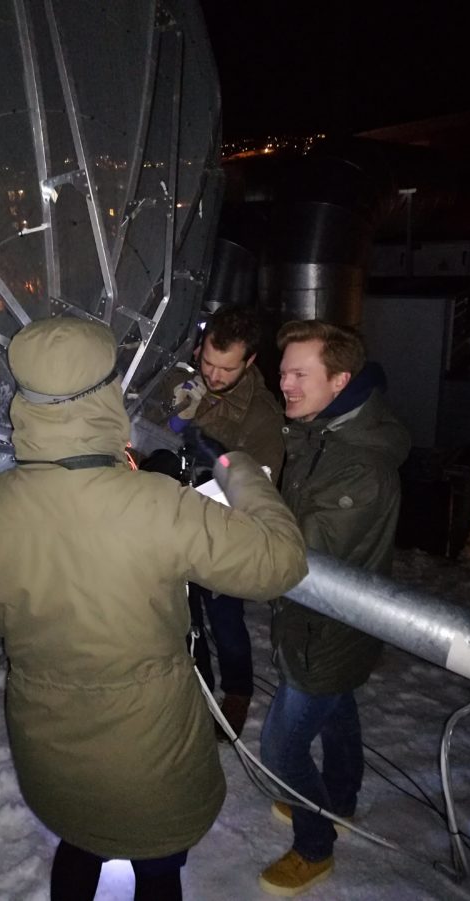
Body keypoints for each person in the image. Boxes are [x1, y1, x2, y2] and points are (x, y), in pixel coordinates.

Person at [0, 316, 307, 901]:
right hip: (149, 753)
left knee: (79, 841)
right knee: (157, 866)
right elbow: (280, 561)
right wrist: (237, 467)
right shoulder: (156, 504)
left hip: (50, 746)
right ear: (104, 394)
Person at [258, 319, 410, 896]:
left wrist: (230, 521)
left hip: (327, 627)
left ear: (340, 379)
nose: (285, 384)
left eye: (300, 374)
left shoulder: (359, 464)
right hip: (326, 622)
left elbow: (295, 553)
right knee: (339, 709)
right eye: (283, 372)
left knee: (281, 749)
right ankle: (340, 800)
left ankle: (315, 846)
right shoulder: (323, 427)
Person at [163, 304, 285, 738]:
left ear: (249, 361)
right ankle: (198, 689)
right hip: (171, 523)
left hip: (222, 531)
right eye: (208, 363)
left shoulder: (262, 416)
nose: (214, 376)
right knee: (182, 615)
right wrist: (174, 418)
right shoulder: (180, 380)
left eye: (227, 369)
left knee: (225, 617)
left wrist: (216, 456)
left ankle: (236, 692)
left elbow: (261, 489)